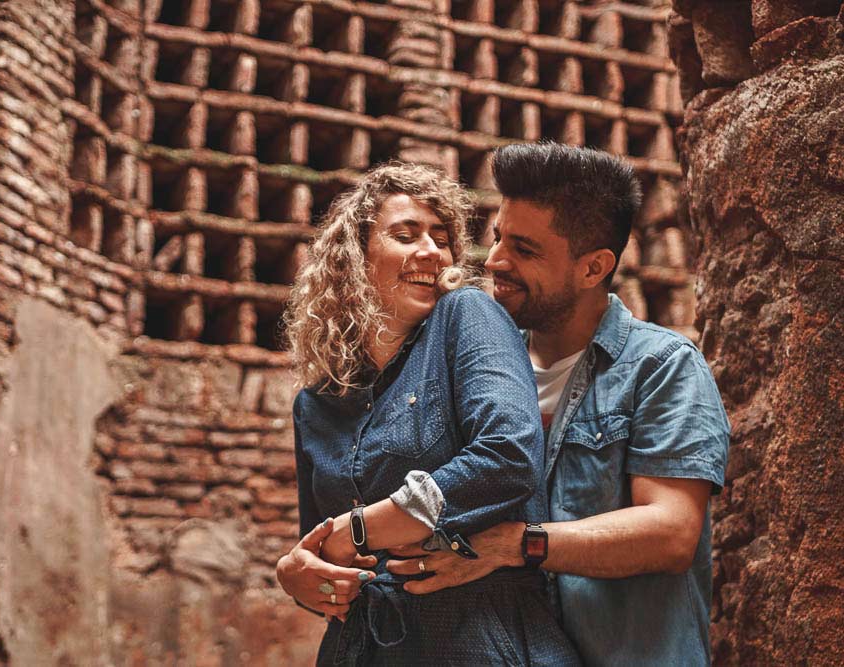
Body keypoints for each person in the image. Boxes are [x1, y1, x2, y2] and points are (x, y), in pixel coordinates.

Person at [385, 143, 730, 666]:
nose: (495, 261)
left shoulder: (662, 367)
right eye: (498, 238)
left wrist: (517, 545)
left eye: (524, 250)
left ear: (594, 268)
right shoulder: (477, 372)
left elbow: (672, 532)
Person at [275, 163, 580, 665]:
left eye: (442, 239)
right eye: (405, 235)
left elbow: (508, 457)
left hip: (477, 639)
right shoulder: (316, 403)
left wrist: (359, 529)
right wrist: (297, 575)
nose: (432, 252)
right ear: (354, 257)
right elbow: (324, 555)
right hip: (360, 649)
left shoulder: (467, 314)